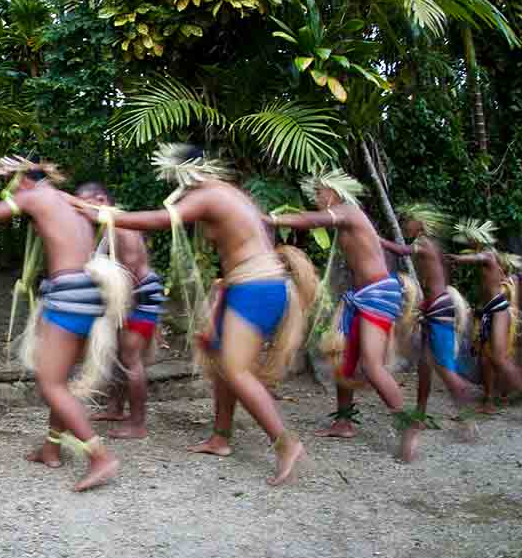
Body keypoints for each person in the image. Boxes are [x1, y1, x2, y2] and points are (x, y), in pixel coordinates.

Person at [83, 145, 312, 485]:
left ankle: (286, 443)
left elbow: (162, 220)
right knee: (221, 363)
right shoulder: (223, 193)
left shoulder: (209, 194)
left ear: (182, 174)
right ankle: (221, 438)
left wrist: (105, 215)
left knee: (235, 370)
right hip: (244, 285)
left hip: (257, 287)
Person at [0, 156, 128, 492]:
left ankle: (100, 456)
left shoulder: (33, 195)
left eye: (9, 182)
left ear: (22, 178)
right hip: (88, 293)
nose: (8, 189)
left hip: (69, 294)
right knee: (62, 380)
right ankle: (52, 448)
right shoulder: (63, 198)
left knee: (51, 385)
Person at [270, 169, 422, 462]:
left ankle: (409, 424)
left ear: (334, 192)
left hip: (377, 294)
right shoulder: (350, 219)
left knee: (372, 365)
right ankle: (344, 422)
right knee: (344, 359)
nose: (316, 199)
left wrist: (271, 219)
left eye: (319, 193)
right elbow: (379, 244)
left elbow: (312, 220)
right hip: (362, 296)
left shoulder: (346, 211)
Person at [377, 204, 480, 444]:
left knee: (444, 369)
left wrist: (377, 239)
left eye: (408, 222)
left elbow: (401, 251)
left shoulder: (424, 243)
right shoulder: (431, 245)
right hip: (435, 308)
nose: (405, 226)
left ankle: (468, 420)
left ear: (420, 224)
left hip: (439, 310)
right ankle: (420, 415)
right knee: (425, 366)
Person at [75, 182, 165, 440]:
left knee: (131, 359)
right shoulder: (109, 225)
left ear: (101, 199)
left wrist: (121, 302)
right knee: (117, 355)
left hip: (139, 296)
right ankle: (115, 408)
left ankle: (138, 423)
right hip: (128, 297)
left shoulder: (122, 224)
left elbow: (134, 270)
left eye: (84, 204)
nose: (82, 211)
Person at [448, 219, 522, 411]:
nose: (467, 243)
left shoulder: (488, 254)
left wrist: (457, 259)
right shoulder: (487, 257)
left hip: (498, 310)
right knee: (485, 358)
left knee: (498, 357)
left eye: (469, 239)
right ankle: (489, 400)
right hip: (489, 311)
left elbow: (477, 259)